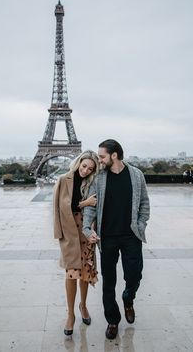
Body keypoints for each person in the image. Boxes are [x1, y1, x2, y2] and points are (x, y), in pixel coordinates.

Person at [82, 139, 150, 340]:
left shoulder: (136, 175)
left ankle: (128, 298)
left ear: (114, 155)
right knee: (109, 282)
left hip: (131, 235)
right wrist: (87, 229)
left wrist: (141, 225)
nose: (99, 160)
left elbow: (144, 203)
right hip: (107, 237)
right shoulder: (99, 178)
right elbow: (91, 206)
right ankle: (112, 320)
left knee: (134, 275)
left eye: (102, 156)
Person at [53, 150, 100, 336]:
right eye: (84, 166)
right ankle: (70, 314)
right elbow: (59, 208)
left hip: (86, 230)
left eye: (90, 168)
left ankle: (83, 306)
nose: (86, 170)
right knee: (71, 273)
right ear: (78, 162)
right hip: (70, 230)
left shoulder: (92, 182)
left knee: (85, 272)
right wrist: (84, 203)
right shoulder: (64, 179)